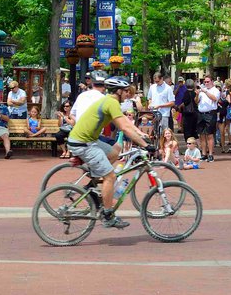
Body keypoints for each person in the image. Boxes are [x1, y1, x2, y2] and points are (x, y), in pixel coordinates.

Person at [65, 75, 152, 229]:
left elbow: (125, 123)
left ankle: (92, 185)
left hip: (87, 140)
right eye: (125, 91)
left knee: (114, 153)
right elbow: (124, 127)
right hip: (83, 143)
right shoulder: (111, 103)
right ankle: (107, 215)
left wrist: (140, 134)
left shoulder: (109, 101)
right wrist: (145, 144)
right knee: (110, 176)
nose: (127, 94)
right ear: (118, 91)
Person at [196, 76, 220, 159]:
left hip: (210, 114)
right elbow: (197, 101)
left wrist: (205, 91)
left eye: (208, 81)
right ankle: (204, 153)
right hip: (201, 113)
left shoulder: (215, 90)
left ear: (212, 81)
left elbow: (214, 99)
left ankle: (210, 154)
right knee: (201, 134)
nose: (206, 83)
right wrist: (197, 94)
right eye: (205, 82)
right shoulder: (202, 91)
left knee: (210, 134)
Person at [148, 72, 174, 138]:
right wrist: (150, 104)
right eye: (155, 81)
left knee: (164, 133)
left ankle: (164, 144)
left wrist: (160, 106)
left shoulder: (168, 88)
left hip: (164, 114)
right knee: (153, 132)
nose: (156, 83)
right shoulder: (152, 87)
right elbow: (150, 98)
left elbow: (172, 102)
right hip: (153, 113)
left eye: (158, 81)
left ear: (162, 79)